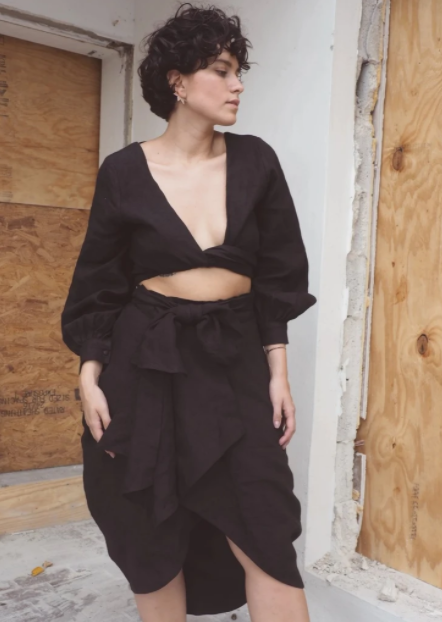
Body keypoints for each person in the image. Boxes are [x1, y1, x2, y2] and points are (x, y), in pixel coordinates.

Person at [60, 3, 317, 621]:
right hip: (145, 363)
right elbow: (99, 283)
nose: (237, 85)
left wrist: (277, 371)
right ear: (177, 80)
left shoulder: (256, 160)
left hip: (233, 359)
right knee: (149, 528)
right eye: (222, 71)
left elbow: (278, 274)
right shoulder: (124, 171)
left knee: (265, 526)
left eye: (238, 72)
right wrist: (89, 375)